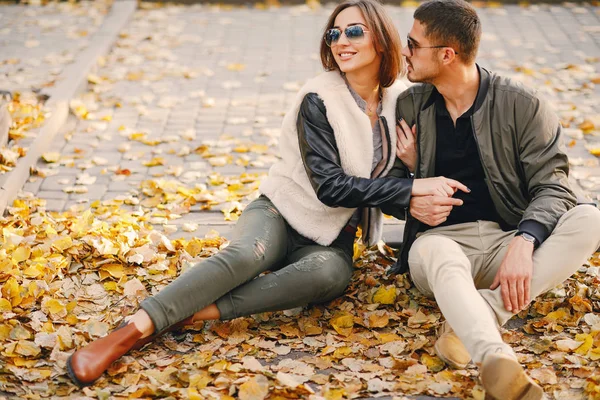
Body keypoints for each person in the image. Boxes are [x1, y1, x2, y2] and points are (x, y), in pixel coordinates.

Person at [66, 0, 468, 387]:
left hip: (333, 238)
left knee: (330, 275)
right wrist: (412, 184)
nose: (341, 41)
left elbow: (389, 193)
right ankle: (130, 331)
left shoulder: (401, 102)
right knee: (245, 255)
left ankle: (192, 313)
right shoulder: (319, 98)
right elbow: (330, 187)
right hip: (281, 211)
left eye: (354, 31)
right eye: (334, 33)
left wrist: (413, 166)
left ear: (380, 39)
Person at [385, 1, 600, 399]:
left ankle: (478, 315)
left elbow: (555, 183)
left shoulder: (522, 104)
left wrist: (525, 239)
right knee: (440, 255)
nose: (405, 52)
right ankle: (494, 358)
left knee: (591, 219)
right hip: (440, 245)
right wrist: (413, 185)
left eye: (413, 45)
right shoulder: (410, 104)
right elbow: (390, 188)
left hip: (508, 245)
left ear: (447, 55)